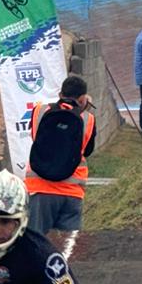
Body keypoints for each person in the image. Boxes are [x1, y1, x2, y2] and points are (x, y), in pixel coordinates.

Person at [26, 73, 97, 234]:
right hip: (71, 192)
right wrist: (83, 109)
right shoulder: (88, 119)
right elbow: (87, 150)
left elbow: (35, 137)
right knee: (68, 248)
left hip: (39, 189)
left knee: (36, 243)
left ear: (60, 95)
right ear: (83, 98)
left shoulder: (39, 111)